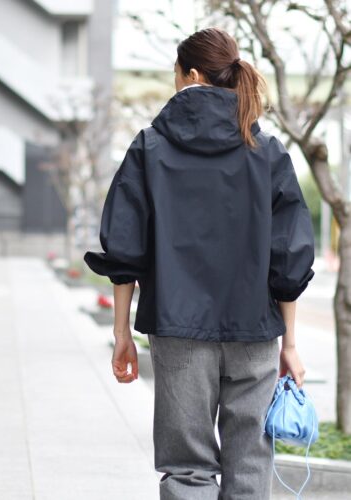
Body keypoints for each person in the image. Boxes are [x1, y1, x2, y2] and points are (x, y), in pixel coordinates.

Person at [83, 26, 315, 500]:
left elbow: (124, 248)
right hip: (254, 332)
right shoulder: (268, 152)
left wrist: (122, 333)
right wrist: (290, 343)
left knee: (186, 470)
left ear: (190, 75)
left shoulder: (150, 147)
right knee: (250, 469)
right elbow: (289, 259)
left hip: (177, 330)